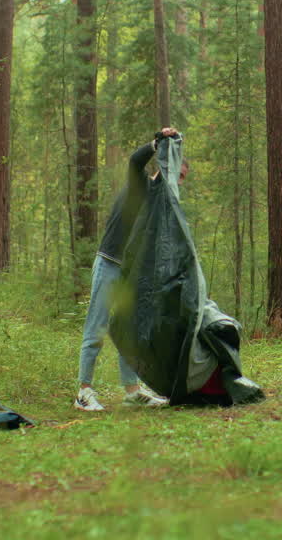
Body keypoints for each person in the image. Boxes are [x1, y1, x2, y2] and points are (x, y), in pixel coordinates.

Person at [74, 128, 185, 411]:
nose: (178, 180)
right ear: (163, 167)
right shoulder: (142, 184)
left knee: (129, 332)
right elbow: (135, 161)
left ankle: (133, 391)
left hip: (131, 276)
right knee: (97, 327)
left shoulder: (164, 205)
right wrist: (156, 141)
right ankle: (83, 392)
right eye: (176, 172)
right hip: (110, 263)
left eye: (182, 177)